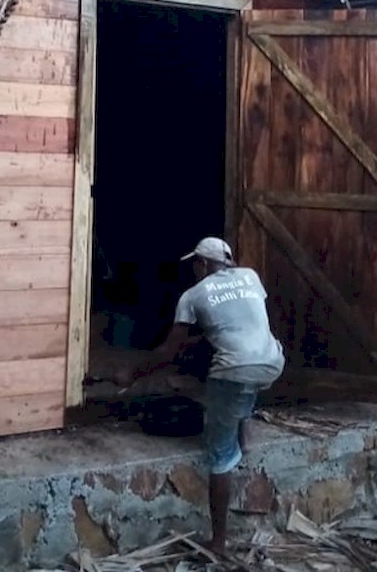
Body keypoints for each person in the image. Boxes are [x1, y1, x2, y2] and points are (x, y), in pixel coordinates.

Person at [119, 237, 285, 554]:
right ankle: (244, 427)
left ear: (203, 264)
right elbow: (241, 321)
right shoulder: (251, 277)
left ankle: (219, 541)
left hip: (236, 371)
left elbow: (168, 352)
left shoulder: (192, 296)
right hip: (273, 363)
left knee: (219, 458)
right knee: (247, 363)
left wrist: (131, 373)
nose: (194, 269)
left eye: (196, 263)